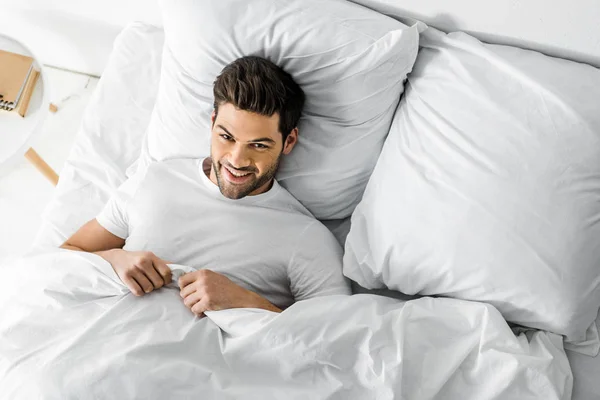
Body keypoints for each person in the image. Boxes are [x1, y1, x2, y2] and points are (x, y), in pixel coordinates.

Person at [60, 56, 351, 317]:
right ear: (212, 123)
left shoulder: (306, 236)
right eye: (226, 137)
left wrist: (243, 300)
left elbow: (339, 342)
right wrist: (114, 259)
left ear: (288, 142)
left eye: (259, 145)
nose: (237, 160)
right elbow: (63, 257)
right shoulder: (154, 181)